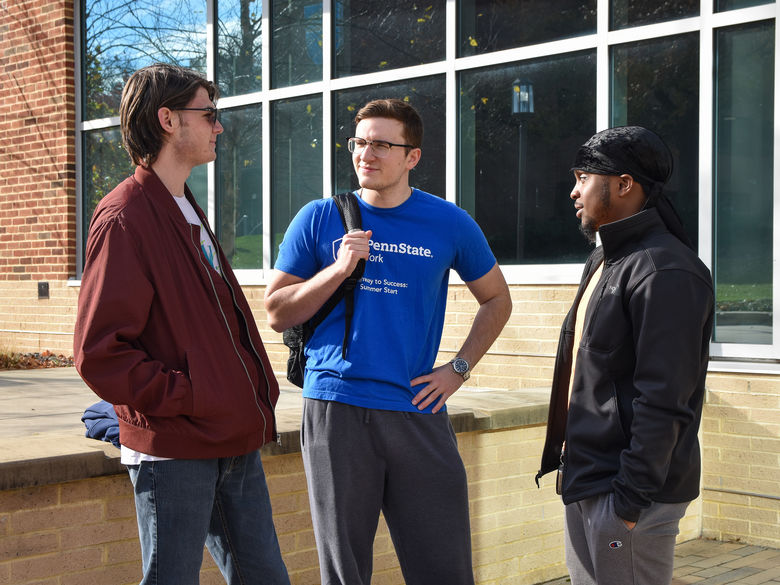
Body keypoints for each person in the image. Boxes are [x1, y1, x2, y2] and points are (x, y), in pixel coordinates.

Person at [264, 98, 512, 585]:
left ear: (412, 157)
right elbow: (276, 312)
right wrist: (339, 269)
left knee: (444, 565)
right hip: (337, 407)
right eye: (359, 142)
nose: (366, 154)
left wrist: (458, 370)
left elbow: (497, 299)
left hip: (416, 407)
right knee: (345, 570)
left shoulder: (448, 222)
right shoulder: (318, 218)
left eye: (381, 144)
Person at [73, 63, 290, 585]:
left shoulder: (185, 206)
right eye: (208, 114)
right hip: (176, 448)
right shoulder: (125, 215)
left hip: (229, 437)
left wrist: (224, 399)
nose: (218, 126)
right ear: (168, 119)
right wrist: (190, 396)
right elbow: (100, 352)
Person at [536, 126, 714, 585]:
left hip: (629, 493)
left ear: (623, 184)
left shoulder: (664, 270)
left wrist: (629, 503)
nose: (574, 191)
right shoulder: (606, 260)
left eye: (583, 177)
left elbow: (666, 397)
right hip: (588, 479)